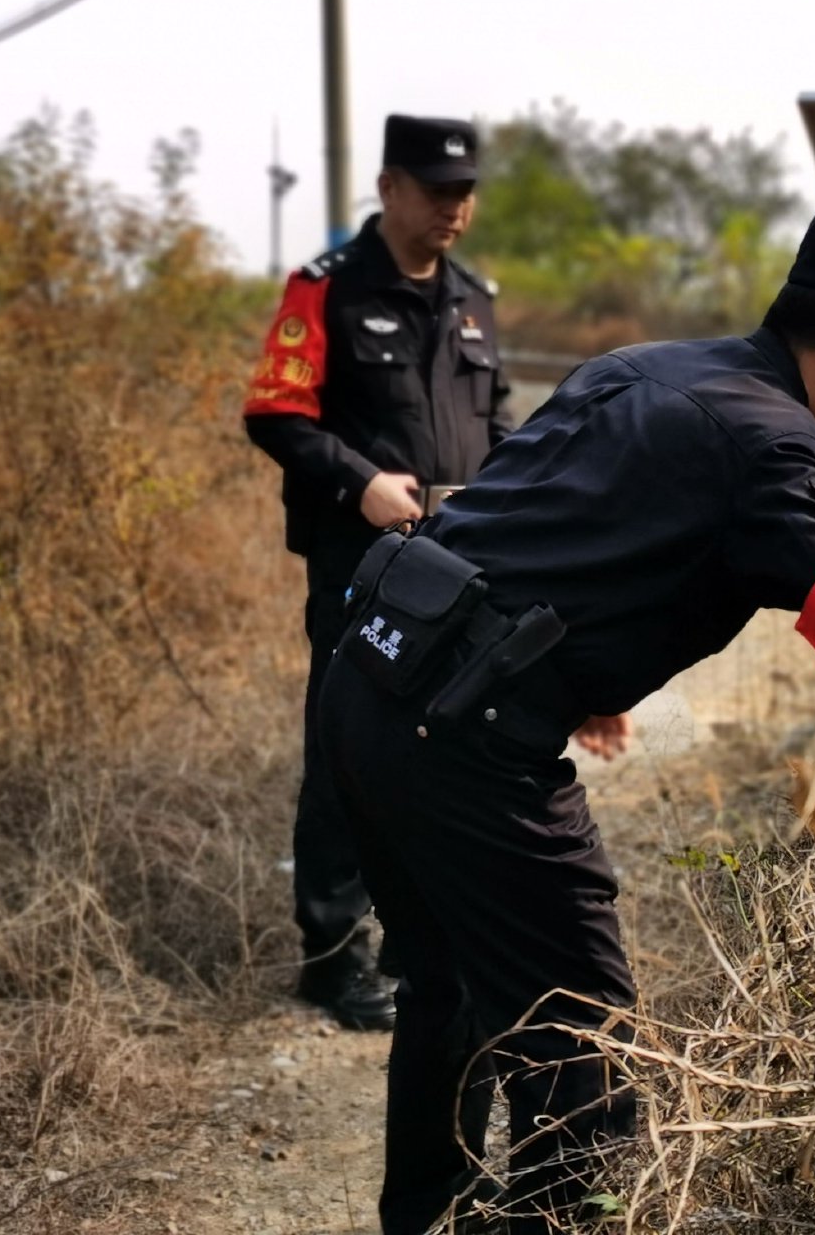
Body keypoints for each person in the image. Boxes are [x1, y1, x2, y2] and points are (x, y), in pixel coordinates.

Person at [318, 212, 815, 1233]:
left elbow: (534, 517)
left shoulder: (638, 369)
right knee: (579, 1035)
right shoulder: (764, 446)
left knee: (448, 990)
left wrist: (577, 679)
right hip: (463, 731)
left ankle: (429, 1219)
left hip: (371, 681)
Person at [243, 113, 513, 1032]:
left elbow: (503, 429)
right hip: (363, 565)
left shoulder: (474, 299)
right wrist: (358, 483)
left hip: (462, 566)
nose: (454, 208)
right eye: (436, 191)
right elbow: (275, 413)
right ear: (389, 188)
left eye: (465, 193)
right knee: (349, 757)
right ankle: (333, 960)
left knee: (449, 752)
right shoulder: (327, 289)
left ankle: (421, 939)